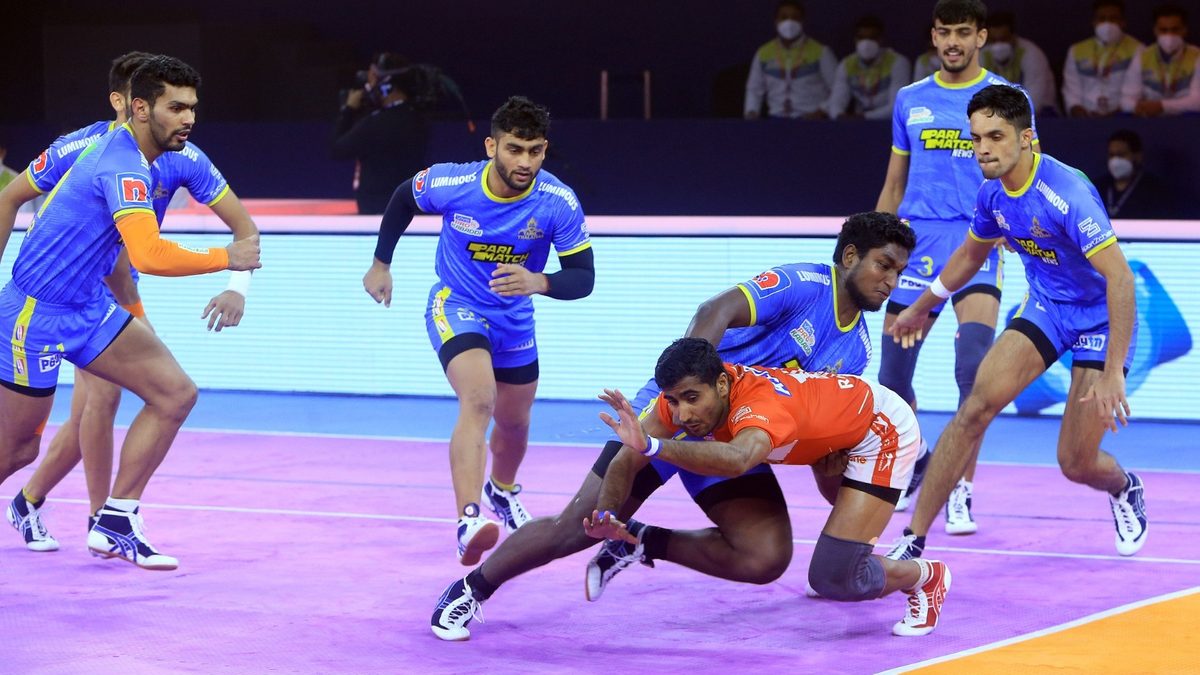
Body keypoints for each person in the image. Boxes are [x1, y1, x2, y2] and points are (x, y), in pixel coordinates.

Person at [429, 213, 917, 641]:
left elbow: (810, 434)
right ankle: (469, 590)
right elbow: (715, 311)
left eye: (898, 271)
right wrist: (686, 395)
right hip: (678, 417)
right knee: (578, 527)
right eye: (883, 265)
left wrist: (840, 475)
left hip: (731, 445)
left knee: (765, 558)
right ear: (850, 255)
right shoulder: (807, 284)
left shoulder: (856, 353)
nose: (891, 281)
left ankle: (640, 541)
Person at [0, 55, 261, 569]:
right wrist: (224, 259)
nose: (188, 118)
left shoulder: (183, 158)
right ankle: (41, 501)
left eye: (192, 108)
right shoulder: (112, 159)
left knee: (174, 393)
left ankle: (115, 516)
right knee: (16, 452)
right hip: (35, 314)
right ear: (137, 108)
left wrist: (238, 287)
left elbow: (245, 230)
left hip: (92, 304)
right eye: (176, 107)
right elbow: (147, 255)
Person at [886, 84, 1145, 564]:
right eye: (976, 137)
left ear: (1026, 138)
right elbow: (968, 256)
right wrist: (923, 304)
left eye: (996, 136)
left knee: (1075, 462)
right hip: (1047, 309)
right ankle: (913, 537)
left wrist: (1112, 374)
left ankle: (1125, 486)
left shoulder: (1066, 194)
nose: (982, 148)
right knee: (973, 410)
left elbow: (1121, 281)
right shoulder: (991, 196)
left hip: (1099, 321)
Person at [586, 339, 950, 638]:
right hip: (832, 433)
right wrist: (607, 516)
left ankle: (926, 576)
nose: (682, 415)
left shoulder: (758, 404)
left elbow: (738, 459)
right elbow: (624, 461)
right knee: (824, 565)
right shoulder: (684, 401)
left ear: (723, 384)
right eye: (673, 402)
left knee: (834, 577)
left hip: (879, 431)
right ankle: (635, 540)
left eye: (691, 399)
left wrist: (652, 446)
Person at [363, 96, 593, 565]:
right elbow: (403, 197)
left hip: (515, 318)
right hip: (457, 304)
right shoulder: (455, 182)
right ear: (492, 146)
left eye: (534, 151)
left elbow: (584, 277)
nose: (524, 161)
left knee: (515, 420)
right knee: (480, 399)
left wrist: (540, 282)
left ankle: (501, 489)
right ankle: (469, 519)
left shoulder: (558, 202)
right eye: (514, 149)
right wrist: (381, 263)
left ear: (544, 150)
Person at [875, 0, 1037, 524]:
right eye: (944, 32)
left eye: (962, 33)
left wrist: (1022, 227)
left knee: (973, 368)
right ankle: (919, 459)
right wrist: (877, 245)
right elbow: (895, 182)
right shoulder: (909, 100)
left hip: (977, 246)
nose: (952, 41)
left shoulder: (1009, 99)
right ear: (934, 36)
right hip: (917, 249)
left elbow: (1029, 172)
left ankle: (961, 487)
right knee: (893, 378)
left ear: (981, 37)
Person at [333, 52, 431, 215]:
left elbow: (337, 149)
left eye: (372, 78)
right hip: (411, 210)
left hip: (377, 214)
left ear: (388, 86)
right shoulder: (419, 119)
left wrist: (348, 110)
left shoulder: (377, 124)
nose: (368, 84)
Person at [744, 0, 837, 120]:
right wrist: (751, 113)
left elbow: (838, 90)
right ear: (776, 21)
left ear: (802, 22)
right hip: (776, 121)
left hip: (811, 121)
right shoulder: (763, 53)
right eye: (784, 17)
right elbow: (754, 89)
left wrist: (822, 111)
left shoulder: (821, 52)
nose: (789, 22)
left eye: (795, 18)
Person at [1062, 0, 1144, 117]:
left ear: (1123, 22)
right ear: (1094, 22)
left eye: (1113, 18)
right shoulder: (1076, 50)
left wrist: (1118, 113)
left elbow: (1135, 90)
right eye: (1102, 18)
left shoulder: (1138, 49)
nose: (1107, 24)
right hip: (1086, 118)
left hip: (1123, 116)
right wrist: (1077, 109)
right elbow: (1071, 90)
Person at [1120, 3, 1200, 117]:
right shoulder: (1142, 56)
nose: (1169, 35)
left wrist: (1162, 106)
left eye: (1175, 29)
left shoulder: (1197, 56)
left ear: (1184, 30)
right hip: (1151, 120)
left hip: (1186, 120)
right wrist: (1136, 107)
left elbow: (1197, 102)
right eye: (1164, 30)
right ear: (1155, 31)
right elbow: (1126, 98)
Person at [826, 16, 912, 120]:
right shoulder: (847, 65)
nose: (866, 43)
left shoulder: (897, 62)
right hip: (859, 124)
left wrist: (864, 117)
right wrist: (839, 116)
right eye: (861, 37)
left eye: (872, 38)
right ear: (855, 40)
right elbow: (836, 101)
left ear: (881, 40)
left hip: (888, 122)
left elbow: (897, 106)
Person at [979, 11, 1059, 115]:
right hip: (999, 114)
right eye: (993, 40)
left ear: (1013, 36)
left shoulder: (1031, 53)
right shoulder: (983, 55)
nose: (998, 45)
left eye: (1003, 39)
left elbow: (1034, 99)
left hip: (1041, 114)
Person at [1094, 129, 1176, 220]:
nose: (1115, 161)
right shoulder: (1099, 187)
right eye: (1111, 155)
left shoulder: (1154, 190)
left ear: (1137, 156)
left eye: (1121, 155)